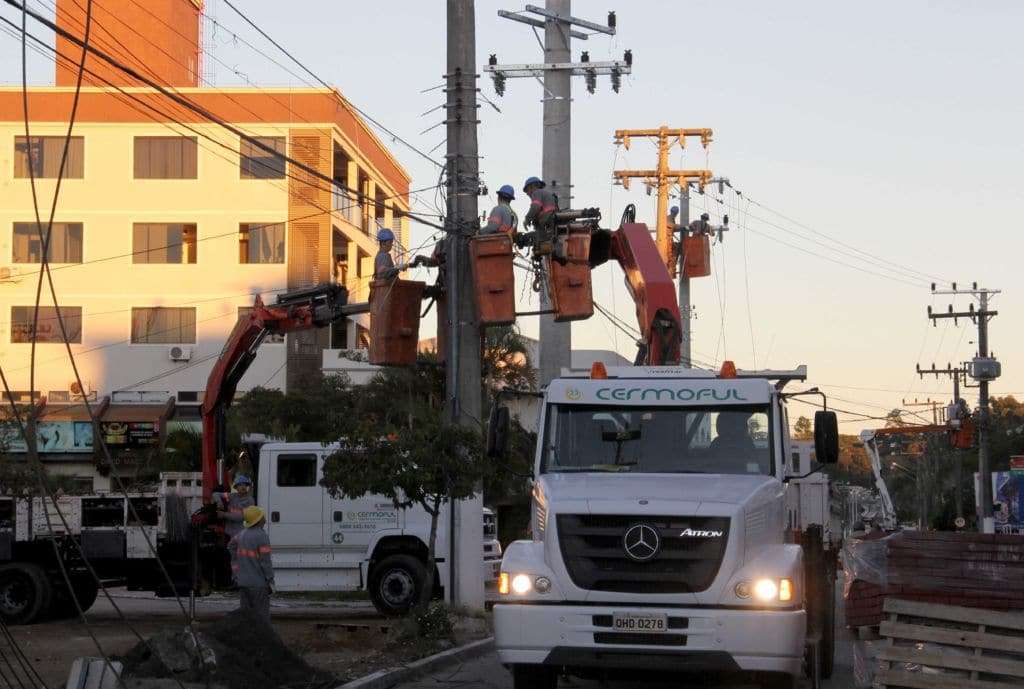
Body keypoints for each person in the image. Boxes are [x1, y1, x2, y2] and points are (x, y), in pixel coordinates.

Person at [234, 505, 275, 621]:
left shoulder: (241, 534)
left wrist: (235, 566)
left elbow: (231, 546)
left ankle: (248, 638)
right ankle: (264, 638)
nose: (264, 518)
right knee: (261, 617)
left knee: (246, 616)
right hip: (258, 584)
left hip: (243, 582)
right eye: (262, 516)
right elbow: (265, 562)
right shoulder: (262, 536)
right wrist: (270, 579)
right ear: (259, 519)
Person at [216, 475, 254, 584]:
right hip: (232, 534)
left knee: (241, 558)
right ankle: (235, 579)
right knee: (234, 559)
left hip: (242, 533)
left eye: (244, 485)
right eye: (240, 485)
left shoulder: (249, 500)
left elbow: (242, 517)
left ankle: (241, 579)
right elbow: (216, 494)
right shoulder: (232, 496)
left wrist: (224, 514)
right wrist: (219, 501)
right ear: (236, 487)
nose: (242, 487)